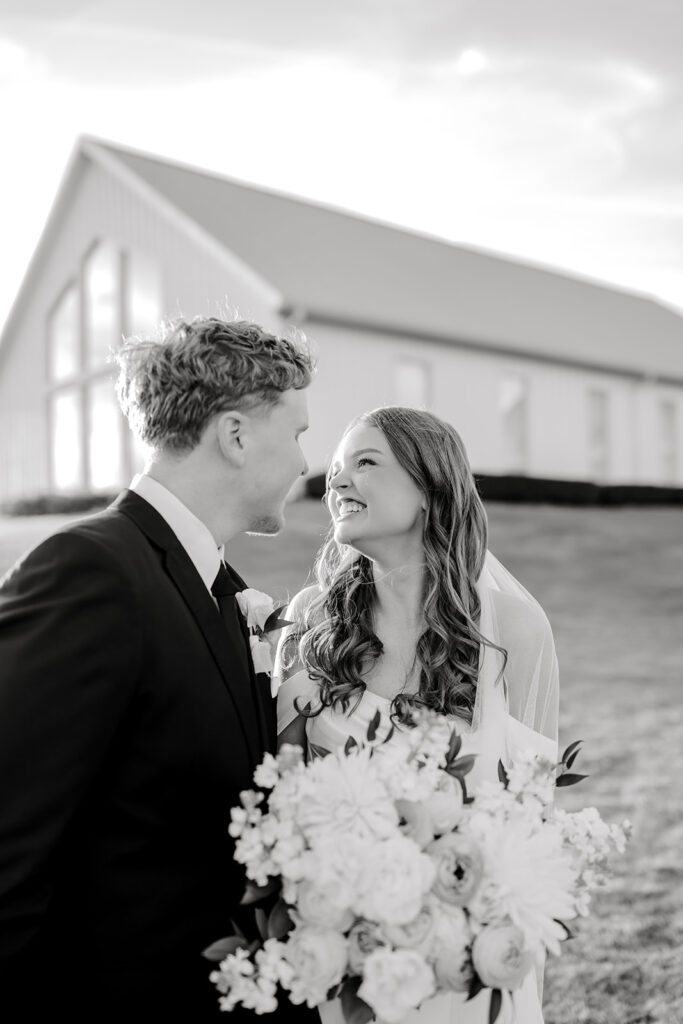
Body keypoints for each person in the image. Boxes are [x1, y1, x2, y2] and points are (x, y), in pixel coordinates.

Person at [0, 316, 317, 1022]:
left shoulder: (219, 590)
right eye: (296, 433)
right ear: (235, 436)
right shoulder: (92, 571)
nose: (305, 462)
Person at [276, 406, 559, 1024]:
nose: (337, 481)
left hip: (464, 975)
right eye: (335, 472)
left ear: (430, 488)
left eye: (366, 463)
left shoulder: (512, 630)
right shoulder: (311, 623)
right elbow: (280, 796)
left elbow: (531, 836)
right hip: (343, 962)